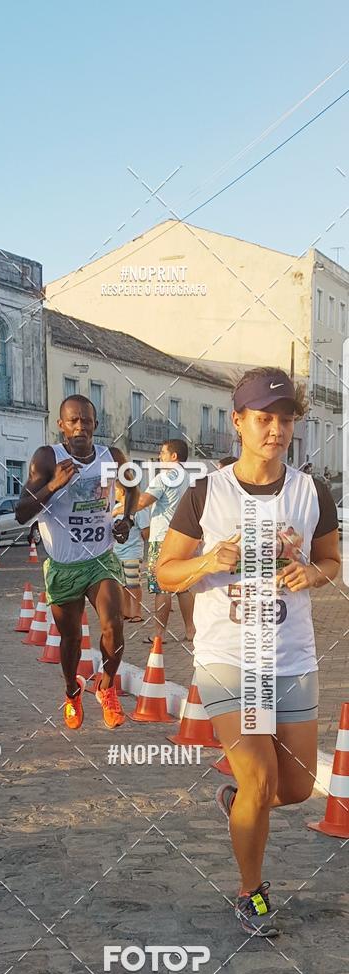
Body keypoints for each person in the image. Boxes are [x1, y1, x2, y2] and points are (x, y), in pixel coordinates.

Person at [157, 367, 340, 937]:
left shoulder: (311, 492)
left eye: (286, 420)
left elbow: (332, 562)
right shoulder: (207, 494)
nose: (277, 430)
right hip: (230, 658)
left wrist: (312, 572)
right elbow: (165, 573)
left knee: (294, 788)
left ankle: (239, 799)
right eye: (265, 418)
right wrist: (211, 560)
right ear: (238, 421)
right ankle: (250, 892)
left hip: (292, 657)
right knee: (262, 781)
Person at [16, 395, 139, 729]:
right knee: (70, 640)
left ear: (95, 425)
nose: (80, 427)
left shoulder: (111, 456)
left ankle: (107, 686)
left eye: (86, 421)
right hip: (62, 565)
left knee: (114, 625)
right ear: (61, 425)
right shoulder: (46, 458)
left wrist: (126, 518)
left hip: (101, 558)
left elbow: (133, 487)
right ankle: (72, 690)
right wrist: (54, 484)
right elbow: (22, 512)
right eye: (73, 421)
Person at [139, 439, 195, 642]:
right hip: (184, 539)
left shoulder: (163, 478)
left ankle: (159, 634)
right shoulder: (190, 478)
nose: (159, 456)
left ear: (174, 456)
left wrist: (120, 508)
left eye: (162, 452)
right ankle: (190, 631)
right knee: (183, 587)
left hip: (162, 539)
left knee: (161, 587)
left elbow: (143, 501)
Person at [112, 481, 150, 622]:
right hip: (117, 553)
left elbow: (146, 531)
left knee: (133, 584)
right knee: (122, 584)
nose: (113, 492)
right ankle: (126, 611)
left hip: (132, 553)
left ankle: (137, 612)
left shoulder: (139, 509)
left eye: (115, 490)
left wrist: (136, 541)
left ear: (122, 491)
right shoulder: (116, 507)